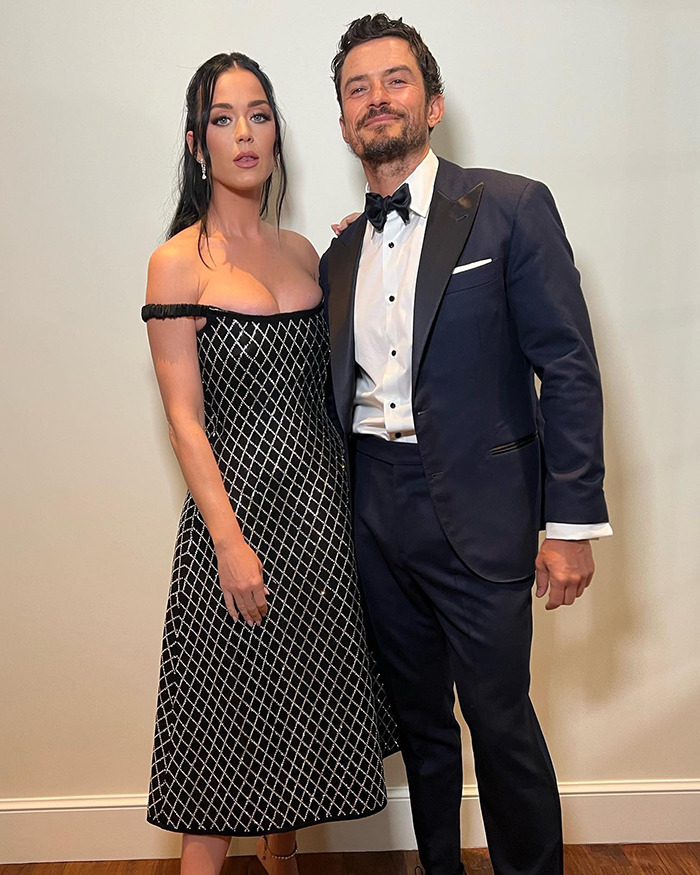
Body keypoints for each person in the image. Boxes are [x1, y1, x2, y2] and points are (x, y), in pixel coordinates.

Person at [321, 14, 612, 875]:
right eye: (358, 88)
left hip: (482, 513)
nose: (378, 99)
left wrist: (571, 524)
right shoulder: (342, 252)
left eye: (396, 80)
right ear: (343, 122)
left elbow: (566, 365)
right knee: (420, 725)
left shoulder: (513, 207)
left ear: (434, 102)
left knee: (501, 719)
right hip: (372, 507)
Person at [141, 52, 399, 875]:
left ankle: (281, 861)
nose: (244, 133)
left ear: (278, 134)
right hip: (238, 520)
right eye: (223, 118)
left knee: (296, 723)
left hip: (319, 518)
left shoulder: (304, 251)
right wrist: (229, 543)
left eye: (258, 114)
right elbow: (185, 419)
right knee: (223, 745)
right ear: (196, 142)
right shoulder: (177, 262)